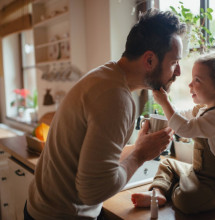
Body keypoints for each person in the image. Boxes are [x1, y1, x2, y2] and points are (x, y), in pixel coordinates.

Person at [25, 9, 186, 219]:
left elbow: (97, 160)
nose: (179, 72)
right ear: (149, 60)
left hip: (42, 208)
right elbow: (93, 191)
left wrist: (138, 148)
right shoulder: (116, 99)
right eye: (174, 62)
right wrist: (140, 155)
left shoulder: (106, 77)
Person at [131, 47, 215, 214]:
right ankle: (158, 193)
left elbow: (185, 129)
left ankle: (169, 189)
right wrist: (165, 100)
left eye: (197, 80)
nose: (190, 84)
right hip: (198, 175)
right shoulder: (204, 110)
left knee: (185, 201)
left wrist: (164, 103)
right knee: (167, 163)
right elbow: (178, 116)